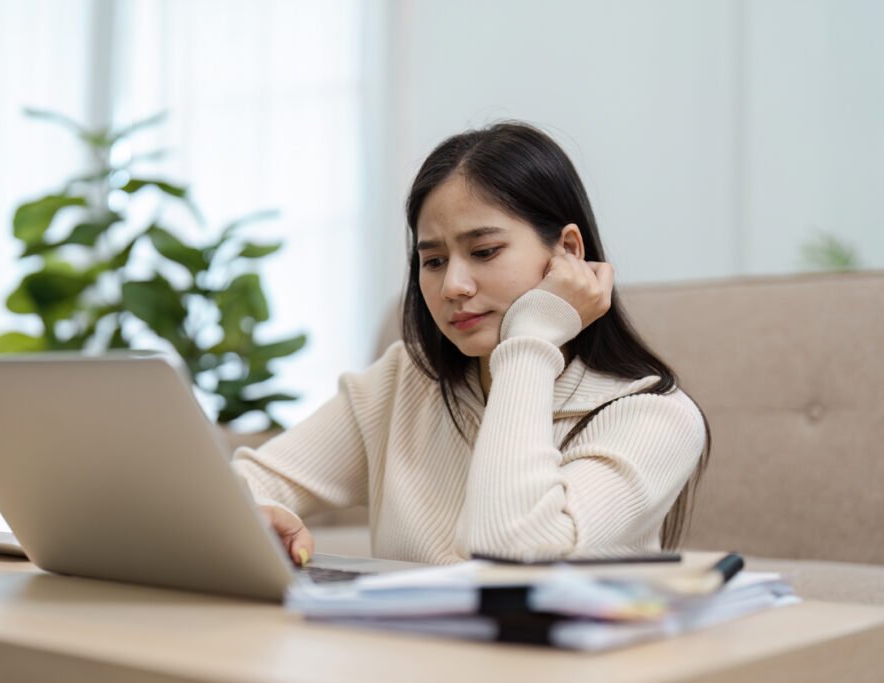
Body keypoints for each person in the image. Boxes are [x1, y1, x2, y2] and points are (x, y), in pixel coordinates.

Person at [232, 121, 710, 567]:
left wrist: (532, 339)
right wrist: (262, 513)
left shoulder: (656, 417)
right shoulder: (404, 382)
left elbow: (509, 556)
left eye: (484, 252)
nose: (452, 286)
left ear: (568, 251)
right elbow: (237, 489)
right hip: (398, 656)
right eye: (434, 261)